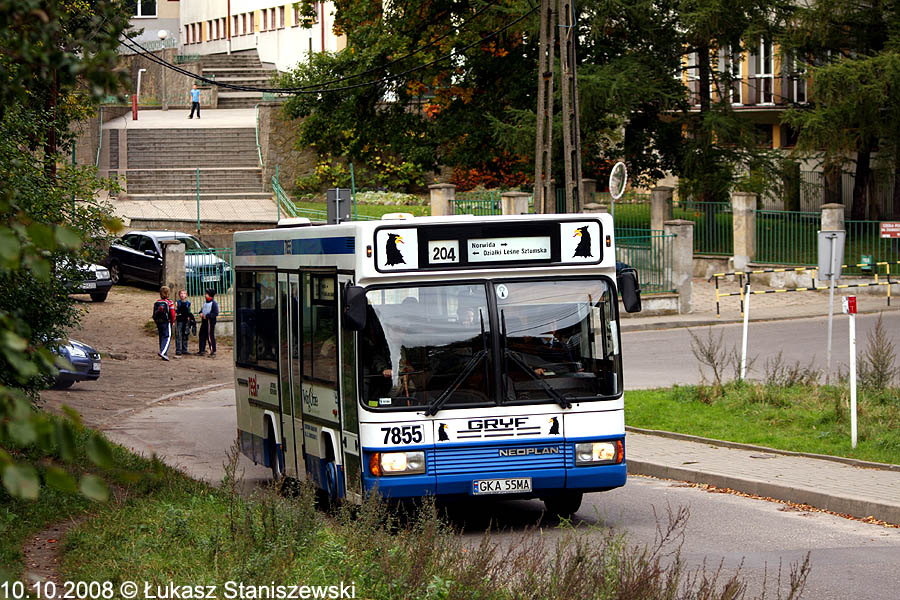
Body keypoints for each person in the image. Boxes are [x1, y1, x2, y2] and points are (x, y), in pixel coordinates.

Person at [152, 286, 176, 361]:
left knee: (161, 336)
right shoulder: (170, 303)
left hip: (159, 322)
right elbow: (172, 314)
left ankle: (163, 351)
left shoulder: (157, 302)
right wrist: (172, 321)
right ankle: (163, 352)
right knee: (167, 336)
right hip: (166, 321)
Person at [197, 288, 219, 357]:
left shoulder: (214, 303)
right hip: (204, 322)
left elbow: (215, 313)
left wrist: (207, 316)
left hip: (210, 322)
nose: (205, 295)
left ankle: (213, 351)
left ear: (210, 295)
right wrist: (200, 313)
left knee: (210, 336)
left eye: (206, 294)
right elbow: (202, 310)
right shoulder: (205, 302)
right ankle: (202, 350)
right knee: (201, 335)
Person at [174, 289, 195, 357]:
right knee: (178, 334)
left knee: (185, 334)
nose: (182, 295)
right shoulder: (177, 302)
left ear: (186, 295)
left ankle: (184, 349)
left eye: (184, 293)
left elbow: (189, 311)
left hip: (186, 321)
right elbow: (176, 311)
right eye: (181, 293)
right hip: (179, 320)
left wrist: (189, 317)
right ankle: (178, 350)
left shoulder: (188, 303)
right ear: (179, 295)